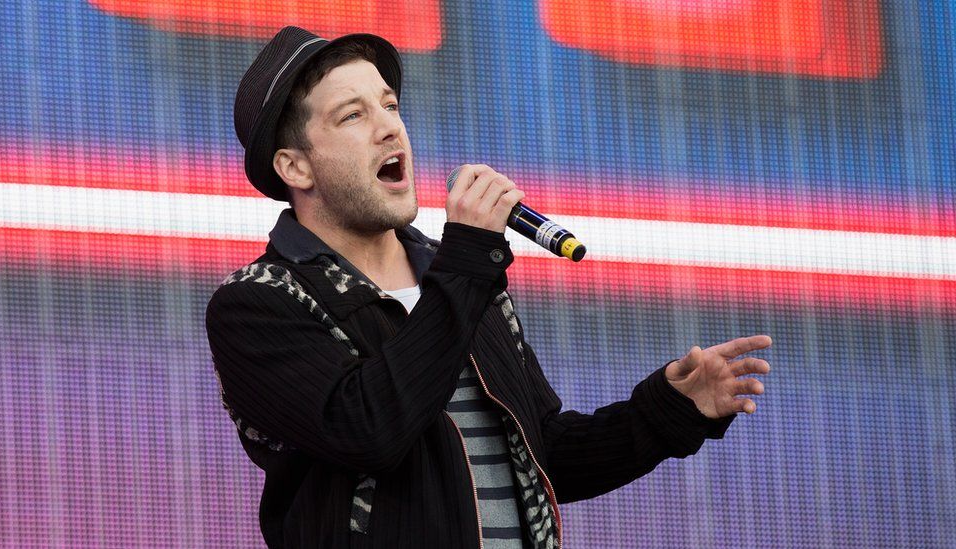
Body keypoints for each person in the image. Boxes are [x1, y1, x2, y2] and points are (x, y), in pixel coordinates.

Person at [206, 26, 772, 549]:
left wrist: (669, 411)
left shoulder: (457, 276)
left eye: (390, 105)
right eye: (352, 116)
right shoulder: (258, 302)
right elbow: (370, 429)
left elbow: (541, 452)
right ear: (296, 168)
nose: (389, 126)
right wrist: (468, 262)